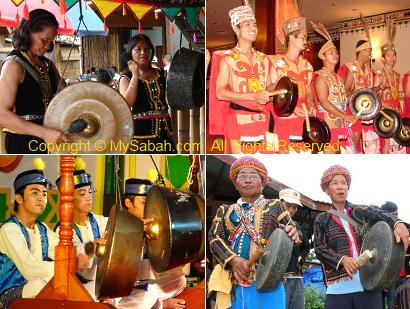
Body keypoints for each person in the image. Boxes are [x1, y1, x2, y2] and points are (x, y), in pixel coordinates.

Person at [208, 156, 300, 309]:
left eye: (253, 176)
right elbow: (213, 237)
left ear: (263, 183)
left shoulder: (275, 205)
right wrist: (234, 260)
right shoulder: (224, 210)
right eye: (242, 176)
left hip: (268, 282)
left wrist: (294, 233)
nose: (248, 180)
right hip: (233, 283)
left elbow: (292, 230)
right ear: (236, 185)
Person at [313, 165, 409, 309]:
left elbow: (380, 214)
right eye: (335, 183)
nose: (340, 187)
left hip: (368, 287)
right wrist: (342, 260)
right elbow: (319, 249)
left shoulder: (359, 211)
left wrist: (397, 224)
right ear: (326, 189)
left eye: (343, 183)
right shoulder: (322, 219)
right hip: (338, 292)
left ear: (348, 187)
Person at [0, 158, 88, 308]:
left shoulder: (42, 229)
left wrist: (81, 253)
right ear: (19, 198)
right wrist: (67, 265)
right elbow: (30, 270)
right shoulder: (10, 230)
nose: (42, 198)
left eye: (45, 193)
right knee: (47, 281)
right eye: (35, 193)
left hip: (36, 288)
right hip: (9, 295)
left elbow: (62, 250)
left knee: (64, 282)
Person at [0, 9, 68, 154]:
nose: (47, 46)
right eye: (44, 40)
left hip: (49, 139)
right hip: (22, 141)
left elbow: (67, 96)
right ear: (28, 32)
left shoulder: (49, 65)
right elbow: (2, 114)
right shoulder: (14, 65)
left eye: (51, 42)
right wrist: (43, 133)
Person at [212, 1, 274, 153]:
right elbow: (219, 93)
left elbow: (269, 86)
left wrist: (279, 88)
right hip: (238, 120)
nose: (253, 28)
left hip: (265, 119)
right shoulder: (228, 58)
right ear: (236, 28)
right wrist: (254, 96)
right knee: (241, 160)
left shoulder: (264, 58)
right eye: (247, 24)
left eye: (254, 24)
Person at [118, 178, 187, 309]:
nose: (149, 207)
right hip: (126, 288)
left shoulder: (152, 224)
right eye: (144, 202)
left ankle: (152, 299)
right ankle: (159, 304)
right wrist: (136, 233)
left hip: (148, 284)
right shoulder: (117, 224)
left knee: (180, 281)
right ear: (128, 202)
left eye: (150, 202)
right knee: (142, 298)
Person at [54, 157, 108, 300]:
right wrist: (92, 246)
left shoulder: (95, 220)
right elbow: (77, 253)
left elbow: (115, 223)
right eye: (83, 194)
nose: (89, 197)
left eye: (90, 192)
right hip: (76, 287)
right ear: (69, 198)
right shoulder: (62, 230)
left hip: (97, 283)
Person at [119, 34, 176, 154]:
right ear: (130, 53)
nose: (143, 52)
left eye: (147, 49)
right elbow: (127, 103)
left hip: (166, 131)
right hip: (141, 135)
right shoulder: (126, 77)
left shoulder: (162, 73)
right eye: (138, 49)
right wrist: (135, 75)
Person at [268, 11, 315, 152]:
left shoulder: (308, 65)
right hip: (283, 120)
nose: (306, 41)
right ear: (292, 38)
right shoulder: (276, 62)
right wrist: (292, 109)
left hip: (304, 120)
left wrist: (311, 104)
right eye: (302, 37)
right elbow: (270, 92)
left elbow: (309, 92)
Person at [311, 22, 358, 153]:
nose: (335, 54)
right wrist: (344, 116)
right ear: (323, 57)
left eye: (336, 51)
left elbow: (343, 99)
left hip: (341, 122)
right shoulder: (320, 76)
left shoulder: (339, 78)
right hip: (327, 124)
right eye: (330, 52)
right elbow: (324, 102)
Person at [338, 27, 377, 153]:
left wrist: (378, 87)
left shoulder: (370, 71)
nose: (370, 53)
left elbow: (372, 93)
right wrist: (357, 97)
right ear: (360, 51)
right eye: (368, 50)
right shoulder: (351, 68)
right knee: (354, 141)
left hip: (367, 112)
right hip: (353, 111)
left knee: (368, 144)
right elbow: (345, 92)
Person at [374, 22, 405, 154]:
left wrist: (401, 110)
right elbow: (374, 96)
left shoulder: (398, 75)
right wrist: (388, 107)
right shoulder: (379, 74)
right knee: (386, 144)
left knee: (398, 144)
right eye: (388, 55)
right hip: (384, 112)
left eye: (394, 55)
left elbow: (400, 95)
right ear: (383, 58)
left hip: (397, 111)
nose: (392, 58)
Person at [279, 188, 310, 309]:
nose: (291, 210)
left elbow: (306, 247)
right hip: (277, 279)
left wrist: (301, 256)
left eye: (295, 207)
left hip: (296, 276)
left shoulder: (298, 227)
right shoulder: (270, 224)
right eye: (288, 205)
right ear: (280, 203)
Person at [380, 202, 409, 309]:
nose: (395, 218)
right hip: (389, 281)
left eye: (396, 215)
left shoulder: (405, 229)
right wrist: (383, 282)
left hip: (405, 278)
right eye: (391, 215)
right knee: (393, 305)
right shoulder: (379, 233)